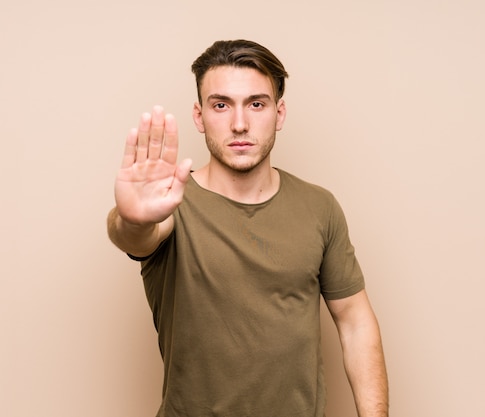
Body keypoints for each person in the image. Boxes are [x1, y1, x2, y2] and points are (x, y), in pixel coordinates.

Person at [107, 39, 388, 417]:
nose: (239, 123)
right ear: (199, 116)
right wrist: (133, 218)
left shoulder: (320, 207)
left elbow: (355, 322)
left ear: (279, 113)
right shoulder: (171, 204)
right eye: (221, 105)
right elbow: (135, 236)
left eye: (256, 104)